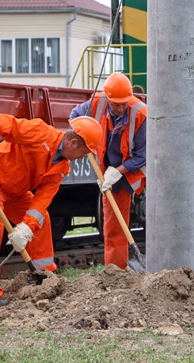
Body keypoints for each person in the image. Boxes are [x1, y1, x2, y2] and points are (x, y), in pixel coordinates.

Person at [0, 113, 102, 311]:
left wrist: (26, 227)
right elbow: (3, 123)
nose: (83, 157)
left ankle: (44, 277)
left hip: (16, 191)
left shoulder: (61, 167)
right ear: (73, 143)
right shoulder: (41, 133)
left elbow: (42, 200)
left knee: (41, 221)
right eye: (84, 152)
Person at [70, 72, 147, 269]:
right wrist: (85, 142)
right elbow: (75, 117)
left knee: (154, 215)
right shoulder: (96, 103)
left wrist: (119, 171)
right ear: (108, 98)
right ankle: (115, 270)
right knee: (113, 226)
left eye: (124, 103)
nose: (120, 108)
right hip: (106, 169)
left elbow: (142, 155)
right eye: (116, 104)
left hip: (133, 170)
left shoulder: (140, 114)